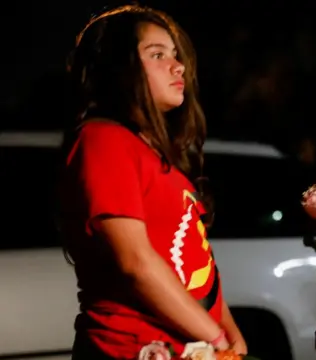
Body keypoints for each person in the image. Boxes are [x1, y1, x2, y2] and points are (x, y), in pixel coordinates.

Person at [60, 5, 246, 359]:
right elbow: (136, 262)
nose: (178, 67)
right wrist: (216, 338)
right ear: (119, 68)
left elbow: (196, 262)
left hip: (191, 345)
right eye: (157, 54)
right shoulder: (102, 139)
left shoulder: (158, 155)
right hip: (133, 348)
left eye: (176, 55)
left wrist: (230, 333)